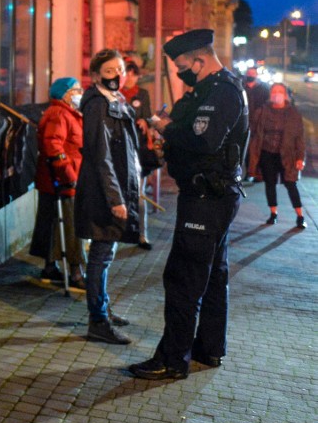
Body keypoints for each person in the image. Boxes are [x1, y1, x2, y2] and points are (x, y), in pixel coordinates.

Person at [129, 28, 248, 381]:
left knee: (184, 278)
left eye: (184, 65)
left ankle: (171, 359)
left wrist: (167, 128)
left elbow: (204, 138)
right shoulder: (211, 88)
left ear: (200, 59)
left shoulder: (222, 91)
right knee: (212, 276)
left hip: (206, 198)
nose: (182, 72)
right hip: (212, 195)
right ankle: (208, 348)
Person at [75, 49, 144, 345]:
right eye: (109, 71)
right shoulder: (98, 104)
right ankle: (98, 320)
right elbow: (101, 154)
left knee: (107, 253)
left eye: (120, 69)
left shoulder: (116, 101)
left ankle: (102, 308)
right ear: (95, 76)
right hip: (103, 192)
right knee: (101, 255)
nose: (117, 75)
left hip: (114, 188)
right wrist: (116, 198)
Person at [30, 77, 85, 289]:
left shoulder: (67, 113)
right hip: (62, 180)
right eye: (76, 90)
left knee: (54, 222)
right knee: (72, 225)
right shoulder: (59, 114)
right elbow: (53, 146)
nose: (80, 93)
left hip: (62, 178)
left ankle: (50, 266)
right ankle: (76, 271)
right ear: (65, 94)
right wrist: (68, 175)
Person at [247, 82, 307, 228]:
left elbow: (299, 137)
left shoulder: (293, 113)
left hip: (287, 155)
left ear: (285, 95)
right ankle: (273, 214)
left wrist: (300, 157)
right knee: (270, 184)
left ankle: (300, 216)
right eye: (274, 91)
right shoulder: (262, 111)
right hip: (267, 153)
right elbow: (254, 131)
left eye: (280, 91)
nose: (276, 94)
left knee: (291, 184)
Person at [122, 60, 154, 250]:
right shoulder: (116, 95)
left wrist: (145, 121)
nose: (130, 78)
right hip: (119, 150)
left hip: (139, 149)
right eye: (127, 73)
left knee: (139, 195)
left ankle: (142, 235)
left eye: (133, 74)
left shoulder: (142, 94)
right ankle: (123, 231)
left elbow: (149, 117)